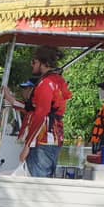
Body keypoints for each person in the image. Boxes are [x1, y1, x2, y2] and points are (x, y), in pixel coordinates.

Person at [19, 46, 72, 178]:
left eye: (34, 62)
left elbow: (40, 115)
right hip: (55, 138)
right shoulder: (58, 81)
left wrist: (27, 146)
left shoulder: (46, 83)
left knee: (36, 184)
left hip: (42, 141)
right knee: (46, 180)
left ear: (43, 63)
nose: (32, 65)